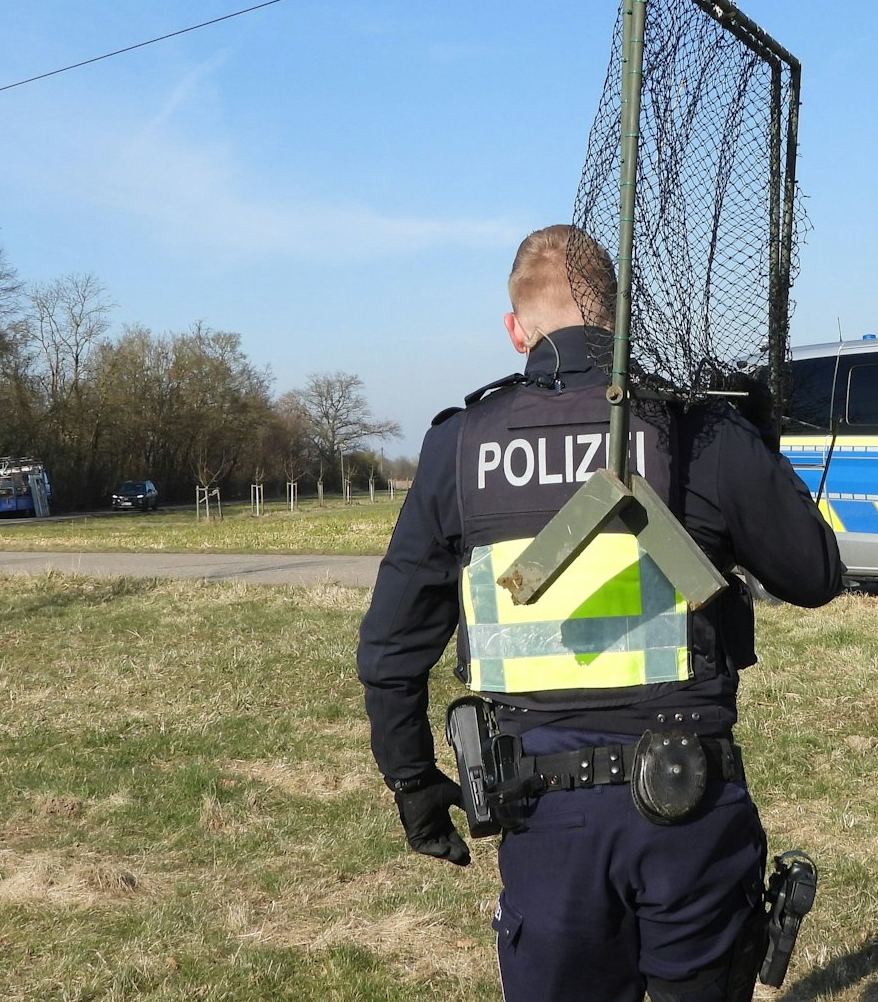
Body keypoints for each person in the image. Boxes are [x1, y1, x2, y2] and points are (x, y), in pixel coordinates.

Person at [356, 223, 844, 1002]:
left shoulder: (460, 448)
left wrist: (413, 782)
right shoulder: (694, 428)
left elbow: (390, 650)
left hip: (545, 823)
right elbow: (814, 573)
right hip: (688, 809)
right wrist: (756, 438)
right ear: (619, 320)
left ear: (517, 329)